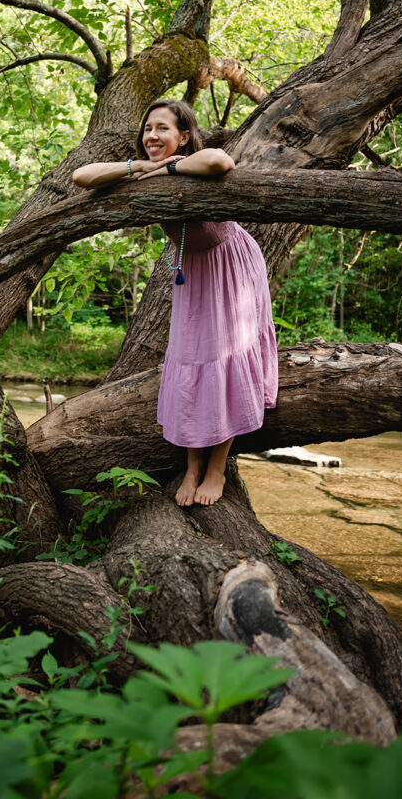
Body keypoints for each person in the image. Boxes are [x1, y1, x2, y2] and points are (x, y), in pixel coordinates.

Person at [72, 99, 278, 507]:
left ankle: (216, 467)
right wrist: (138, 167)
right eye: (148, 128)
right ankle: (191, 466)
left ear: (183, 136)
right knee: (189, 355)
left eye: (163, 129)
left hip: (230, 264)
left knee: (225, 355)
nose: (152, 136)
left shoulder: (194, 160)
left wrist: (166, 166)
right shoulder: (141, 172)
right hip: (194, 272)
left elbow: (221, 162)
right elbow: (82, 175)